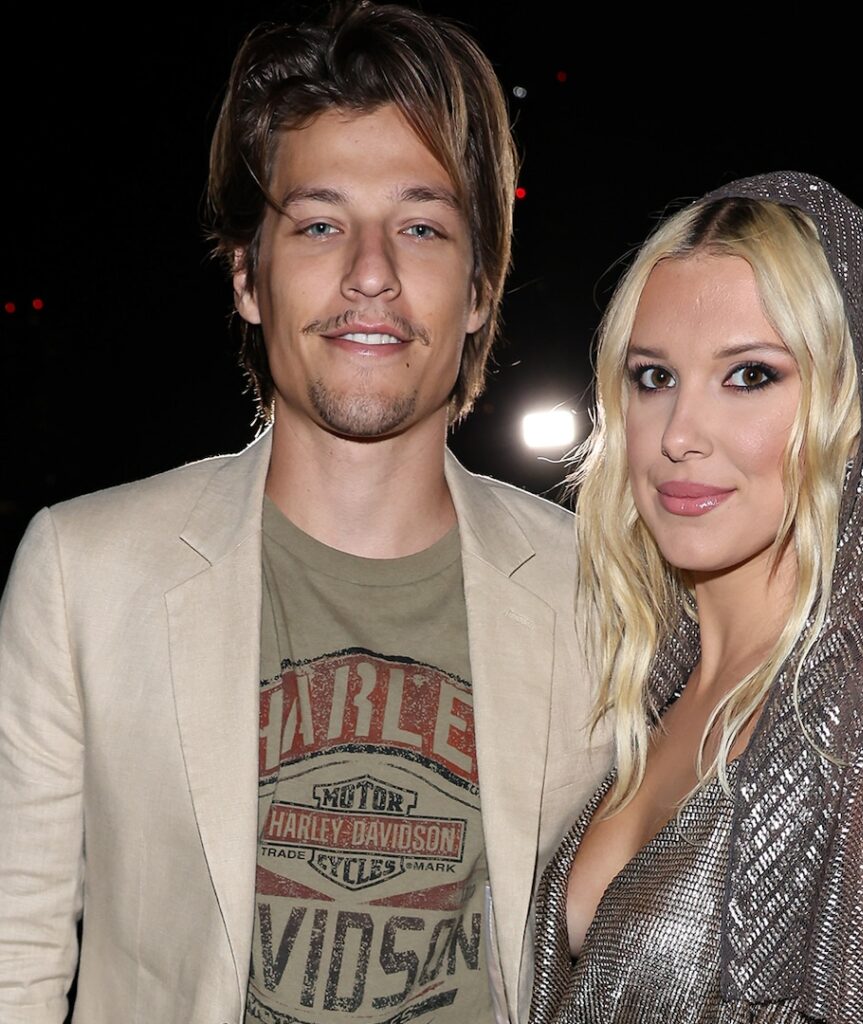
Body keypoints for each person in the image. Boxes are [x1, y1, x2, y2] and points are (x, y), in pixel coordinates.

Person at [0, 4, 609, 1022]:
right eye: (320, 224)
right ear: (248, 275)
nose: (370, 273)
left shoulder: (597, 594)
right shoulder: (82, 573)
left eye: (421, 227)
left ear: (478, 289)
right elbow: (13, 955)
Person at [528, 171, 863, 1023]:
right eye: (654, 377)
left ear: (853, 407)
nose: (680, 434)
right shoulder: (643, 684)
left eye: (750, 375)